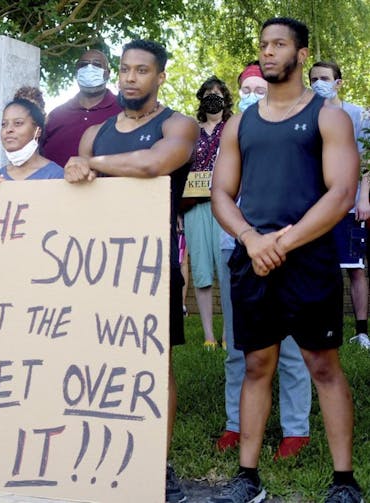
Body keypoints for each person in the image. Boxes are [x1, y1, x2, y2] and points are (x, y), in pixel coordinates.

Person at [210, 18, 363, 503]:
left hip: (309, 259)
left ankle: (344, 481)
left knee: (323, 365)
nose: (269, 52)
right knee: (257, 364)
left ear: (301, 54)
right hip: (253, 258)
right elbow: (220, 192)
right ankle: (247, 477)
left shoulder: (328, 117)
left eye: (279, 45)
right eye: (263, 45)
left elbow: (340, 194)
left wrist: (285, 241)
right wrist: (252, 239)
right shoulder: (241, 123)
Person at [63, 39, 198, 503]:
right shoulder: (94, 132)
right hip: (96, 270)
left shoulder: (178, 125)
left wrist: (92, 165)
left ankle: (157, 466)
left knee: (156, 367)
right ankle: (95, 459)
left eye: (141, 71)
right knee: (96, 365)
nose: (129, 78)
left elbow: (155, 163)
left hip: (152, 266)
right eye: (124, 70)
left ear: (159, 77)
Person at [215, 62, 313, 461]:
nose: (254, 93)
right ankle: (236, 424)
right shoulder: (234, 129)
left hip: (286, 244)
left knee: (291, 344)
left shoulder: (298, 125)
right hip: (235, 245)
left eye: (260, 87)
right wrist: (245, 237)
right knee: (240, 343)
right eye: (247, 88)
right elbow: (221, 191)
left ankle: (296, 429)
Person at [309, 61, 370, 349]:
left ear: (338, 82)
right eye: (313, 78)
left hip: (350, 204)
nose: (318, 82)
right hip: (316, 205)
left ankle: (361, 332)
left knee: (355, 268)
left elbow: (367, 162)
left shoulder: (358, 115)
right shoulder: (306, 115)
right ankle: (325, 327)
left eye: (324, 78)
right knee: (320, 267)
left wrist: (364, 197)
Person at [182, 76, 233, 349]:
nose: (213, 97)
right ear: (201, 99)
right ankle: (208, 336)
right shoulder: (191, 130)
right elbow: (180, 167)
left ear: (225, 99)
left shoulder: (235, 129)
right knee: (201, 270)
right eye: (208, 93)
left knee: (227, 270)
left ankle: (228, 334)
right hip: (194, 206)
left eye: (218, 93)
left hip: (226, 205)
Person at [40, 49, 122, 168]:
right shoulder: (56, 115)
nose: (89, 69)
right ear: (76, 73)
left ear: (107, 73)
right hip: (55, 185)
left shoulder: (124, 111)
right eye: (83, 65)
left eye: (97, 65)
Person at [0, 86, 64, 189]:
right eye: (4, 124)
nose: (8, 129)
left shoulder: (56, 176)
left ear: (37, 131)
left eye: (18, 123)